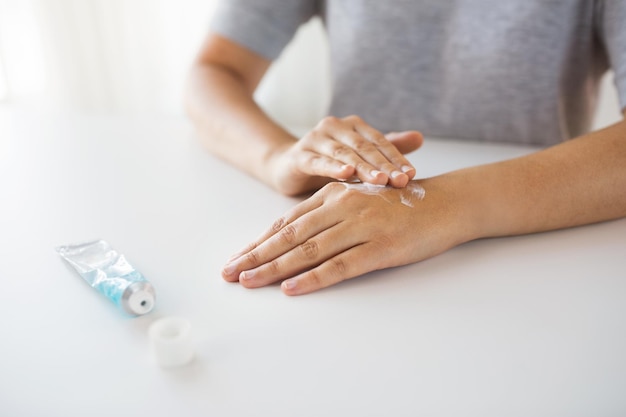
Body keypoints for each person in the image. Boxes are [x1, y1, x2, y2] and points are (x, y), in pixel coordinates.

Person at [184, 0, 626, 296]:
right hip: (347, 214)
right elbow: (213, 71)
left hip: (547, 257)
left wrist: (448, 204)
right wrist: (276, 157)